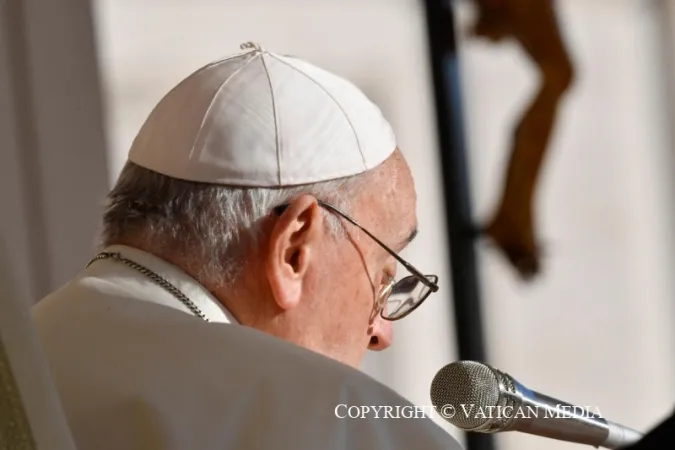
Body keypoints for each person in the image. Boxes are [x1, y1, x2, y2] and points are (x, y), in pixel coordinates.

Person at [31, 42, 461, 449]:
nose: (382, 334)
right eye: (386, 277)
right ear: (294, 248)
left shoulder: (22, 354)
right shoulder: (347, 428)